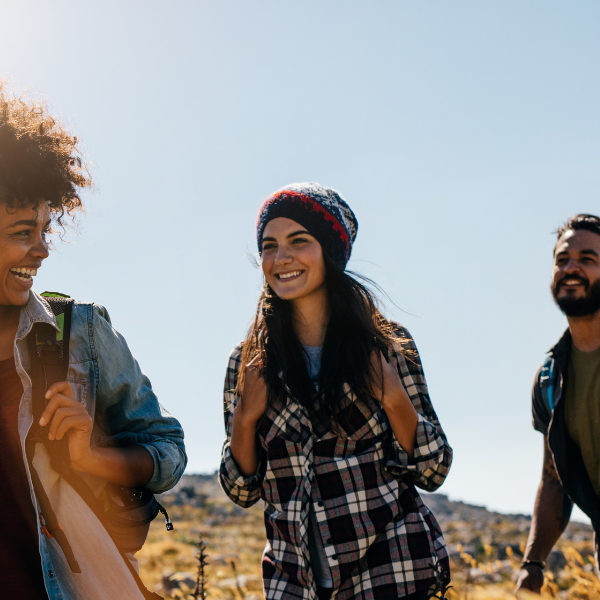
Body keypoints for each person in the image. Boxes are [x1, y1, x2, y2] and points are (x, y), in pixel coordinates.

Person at [219, 183, 453, 600]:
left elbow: (432, 469)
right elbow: (241, 490)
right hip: (295, 585)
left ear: (331, 251)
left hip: (392, 574)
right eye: (269, 246)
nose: (281, 257)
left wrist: (395, 399)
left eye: (299, 241)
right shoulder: (248, 360)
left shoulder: (386, 344)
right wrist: (245, 419)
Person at [0, 83, 187, 599]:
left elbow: (168, 450)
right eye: (22, 230)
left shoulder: (78, 332)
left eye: (45, 228)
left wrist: (89, 460)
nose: (40, 249)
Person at [516, 214, 600, 594]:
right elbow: (554, 480)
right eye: (563, 259)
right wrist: (532, 562)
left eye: (588, 259)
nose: (571, 268)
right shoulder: (550, 379)